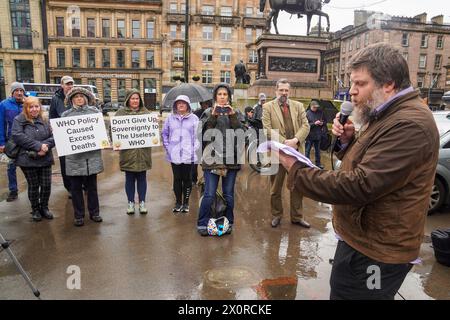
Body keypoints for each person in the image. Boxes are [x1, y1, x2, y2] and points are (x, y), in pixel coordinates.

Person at [276, 43, 439, 300]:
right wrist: (348, 142)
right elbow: (373, 163)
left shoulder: (409, 124)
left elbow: (361, 184)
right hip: (362, 241)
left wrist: (296, 169)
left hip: (376, 253)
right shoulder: (387, 113)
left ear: (388, 84)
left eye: (359, 84)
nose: (351, 92)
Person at [197, 83, 245, 236]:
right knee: (210, 193)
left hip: (231, 158)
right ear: (215, 97)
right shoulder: (207, 112)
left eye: (225, 94)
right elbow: (205, 135)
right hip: (212, 158)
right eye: (220, 94)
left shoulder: (236, 112)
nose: (222, 97)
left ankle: (228, 222)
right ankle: (202, 223)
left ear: (229, 97)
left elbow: (242, 133)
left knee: (228, 194)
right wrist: (213, 115)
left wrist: (232, 116)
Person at [262, 78, 310, 229]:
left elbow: (306, 125)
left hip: (296, 153)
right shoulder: (268, 107)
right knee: (275, 188)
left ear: (290, 91)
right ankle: (276, 215)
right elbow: (267, 129)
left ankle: (297, 217)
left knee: (297, 187)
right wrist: (284, 142)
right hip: (278, 153)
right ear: (276, 91)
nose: (284, 93)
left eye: (286, 90)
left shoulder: (298, 106)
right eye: (281, 90)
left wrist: (296, 140)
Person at [62, 87, 104, 227]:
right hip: (74, 158)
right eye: (76, 96)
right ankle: (79, 215)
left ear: (86, 98)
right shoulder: (66, 116)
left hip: (91, 157)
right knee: (76, 188)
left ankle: (94, 212)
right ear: (72, 99)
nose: (79, 98)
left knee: (92, 187)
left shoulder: (94, 113)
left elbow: (101, 132)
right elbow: (62, 137)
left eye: (81, 96)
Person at [11, 97, 55, 221]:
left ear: (40, 107)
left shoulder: (45, 119)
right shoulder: (19, 120)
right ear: (26, 108)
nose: (34, 109)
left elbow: (55, 136)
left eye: (36, 106)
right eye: (31, 107)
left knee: (46, 185)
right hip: (27, 159)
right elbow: (18, 136)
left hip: (45, 157)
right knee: (34, 185)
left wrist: (46, 146)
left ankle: (44, 208)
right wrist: (39, 146)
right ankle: (35, 209)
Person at [114, 89, 152, 215]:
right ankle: (130, 202)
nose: (135, 101)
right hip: (127, 153)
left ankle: (142, 203)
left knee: (142, 178)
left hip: (143, 153)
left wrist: (154, 126)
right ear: (128, 100)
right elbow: (113, 130)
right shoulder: (120, 113)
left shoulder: (146, 112)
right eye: (132, 98)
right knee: (129, 178)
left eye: (137, 98)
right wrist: (116, 141)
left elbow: (151, 132)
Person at [162, 95, 199, 213]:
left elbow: (198, 136)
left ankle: (186, 203)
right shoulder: (170, 118)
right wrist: (168, 148)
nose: (181, 105)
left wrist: (194, 149)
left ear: (188, 105)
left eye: (183, 103)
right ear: (175, 105)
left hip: (189, 155)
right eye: (178, 103)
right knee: (177, 179)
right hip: (174, 155)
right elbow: (164, 134)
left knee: (187, 179)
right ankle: (178, 202)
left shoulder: (194, 119)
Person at [49, 76, 74, 198]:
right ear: (62, 85)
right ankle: (69, 187)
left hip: (76, 135)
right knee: (65, 163)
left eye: (71, 84)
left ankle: (82, 185)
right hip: (62, 136)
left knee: (78, 159)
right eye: (67, 84)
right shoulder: (55, 99)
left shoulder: (76, 97)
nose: (69, 86)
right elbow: (52, 117)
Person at [0, 82, 25, 202]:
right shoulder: (4, 104)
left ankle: (33, 189)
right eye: (17, 91)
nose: (19, 93)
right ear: (12, 92)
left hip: (26, 140)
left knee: (30, 166)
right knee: (11, 167)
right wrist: (1, 142)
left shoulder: (27, 103)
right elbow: (1, 124)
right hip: (11, 142)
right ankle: (13, 191)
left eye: (21, 91)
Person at [192, 99, 212, 185]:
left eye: (207, 104)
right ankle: (193, 179)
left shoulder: (212, 112)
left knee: (207, 162)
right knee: (195, 162)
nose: (205, 105)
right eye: (203, 104)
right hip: (198, 140)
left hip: (208, 141)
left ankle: (206, 179)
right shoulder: (196, 113)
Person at [305, 99, 326, 169]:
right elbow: (306, 125)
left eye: (316, 107)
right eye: (314, 107)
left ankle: (318, 163)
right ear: (311, 106)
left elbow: (325, 121)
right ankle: (307, 163)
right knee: (307, 150)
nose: (316, 108)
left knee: (317, 151)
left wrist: (322, 123)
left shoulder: (320, 113)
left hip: (318, 135)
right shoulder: (307, 113)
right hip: (310, 136)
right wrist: (314, 123)